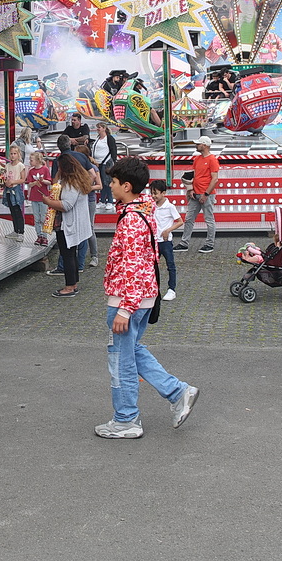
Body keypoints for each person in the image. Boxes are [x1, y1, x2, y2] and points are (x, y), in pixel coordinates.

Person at [94, 156, 199, 439]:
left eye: (114, 182)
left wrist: (124, 310)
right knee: (132, 352)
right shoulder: (145, 210)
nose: (110, 186)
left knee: (121, 360)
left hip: (128, 298)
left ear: (126, 186)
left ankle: (126, 419)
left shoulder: (131, 220)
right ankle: (178, 392)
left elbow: (132, 266)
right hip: (143, 296)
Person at [42, 153, 92, 298]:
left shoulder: (71, 184)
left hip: (69, 225)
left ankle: (70, 287)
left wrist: (48, 202)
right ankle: (73, 283)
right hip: (72, 224)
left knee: (67, 255)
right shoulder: (76, 179)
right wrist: (58, 173)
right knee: (71, 254)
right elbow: (55, 184)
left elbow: (66, 205)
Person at [174, 136, 219, 254]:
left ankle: (209, 244)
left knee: (208, 219)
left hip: (206, 194)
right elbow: (194, 176)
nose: (197, 145)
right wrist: (191, 190)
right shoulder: (197, 159)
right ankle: (185, 243)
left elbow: (214, 179)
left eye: (199, 144)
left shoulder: (212, 160)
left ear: (204, 145)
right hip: (197, 193)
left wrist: (206, 194)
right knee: (189, 219)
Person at [149, 180, 181, 301]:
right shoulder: (151, 206)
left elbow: (180, 221)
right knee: (151, 265)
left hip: (166, 242)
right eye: (152, 193)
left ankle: (171, 289)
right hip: (154, 241)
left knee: (170, 266)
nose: (153, 196)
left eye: (155, 193)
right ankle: (152, 288)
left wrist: (168, 230)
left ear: (163, 193)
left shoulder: (170, 207)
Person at [26, 151, 52, 246]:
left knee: (43, 217)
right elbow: (29, 183)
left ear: (37, 161)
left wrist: (43, 181)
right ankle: (39, 235)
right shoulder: (31, 171)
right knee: (36, 218)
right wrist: (34, 183)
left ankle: (44, 237)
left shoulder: (45, 169)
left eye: (31, 160)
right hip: (34, 197)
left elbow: (49, 182)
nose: (30, 161)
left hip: (43, 197)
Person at [2, 145, 27, 241]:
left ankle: (21, 232)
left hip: (16, 190)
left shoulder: (21, 166)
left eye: (14, 153)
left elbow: (23, 179)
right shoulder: (7, 166)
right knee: (12, 211)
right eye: (11, 154)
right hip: (8, 190)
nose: (13, 155)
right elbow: (4, 176)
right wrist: (5, 182)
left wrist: (13, 182)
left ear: (18, 154)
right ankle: (15, 230)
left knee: (17, 211)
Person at [92, 122, 119, 208]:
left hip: (105, 163)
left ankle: (110, 201)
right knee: (101, 183)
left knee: (107, 182)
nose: (98, 129)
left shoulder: (109, 138)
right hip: (98, 163)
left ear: (104, 128)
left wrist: (113, 161)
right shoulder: (98, 139)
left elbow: (113, 151)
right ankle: (102, 200)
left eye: (99, 127)